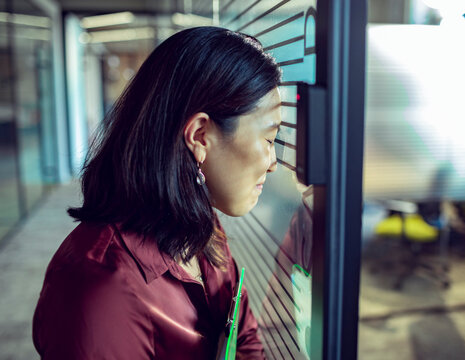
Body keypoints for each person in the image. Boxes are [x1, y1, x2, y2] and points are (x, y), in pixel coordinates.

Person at [32, 26, 282, 359]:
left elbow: (244, 337)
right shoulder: (99, 291)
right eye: (268, 139)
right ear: (200, 135)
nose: (273, 163)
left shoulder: (198, 225)